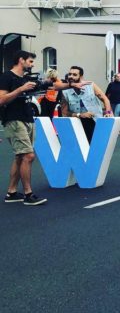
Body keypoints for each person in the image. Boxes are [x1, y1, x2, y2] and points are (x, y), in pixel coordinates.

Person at [0, 51, 68, 205]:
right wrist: (20, 89)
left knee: (20, 156)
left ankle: (11, 193)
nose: (32, 65)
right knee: (28, 156)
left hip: (28, 118)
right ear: (21, 60)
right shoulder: (6, 77)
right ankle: (28, 194)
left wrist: (70, 84)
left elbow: (52, 85)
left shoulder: (24, 78)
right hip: (13, 119)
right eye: (30, 61)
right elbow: (1, 99)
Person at [61, 66, 113, 143]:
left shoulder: (91, 85)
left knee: (97, 146)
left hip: (95, 121)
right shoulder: (65, 92)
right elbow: (65, 113)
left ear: (81, 77)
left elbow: (105, 99)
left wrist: (108, 112)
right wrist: (79, 115)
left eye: (74, 74)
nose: (71, 76)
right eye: (70, 74)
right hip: (78, 123)